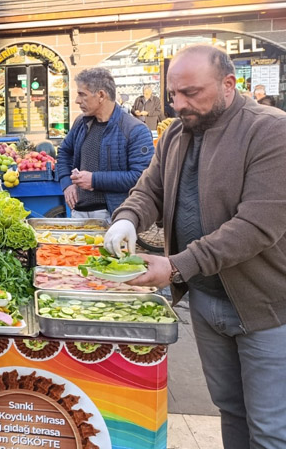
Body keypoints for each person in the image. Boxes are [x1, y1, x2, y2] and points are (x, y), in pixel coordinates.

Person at [103, 44, 286, 449]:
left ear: (228, 84)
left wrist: (176, 266)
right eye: (173, 94)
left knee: (272, 429)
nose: (178, 104)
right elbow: (151, 188)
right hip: (205, 299)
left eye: (191, 93)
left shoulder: (271, 130)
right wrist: (126, 220)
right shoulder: (176, 134)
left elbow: (256, 226)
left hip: (265, 306)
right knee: (230, 409)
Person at [57, 67, 153, 220]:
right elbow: (64, 152)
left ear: (101, 95)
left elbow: (141, 177)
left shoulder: (135, 130)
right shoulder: (81, 122)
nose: (77, 100)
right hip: (79, 212)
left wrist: (94, 180)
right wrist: (67, 184)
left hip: (115, 214)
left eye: (82, 94)